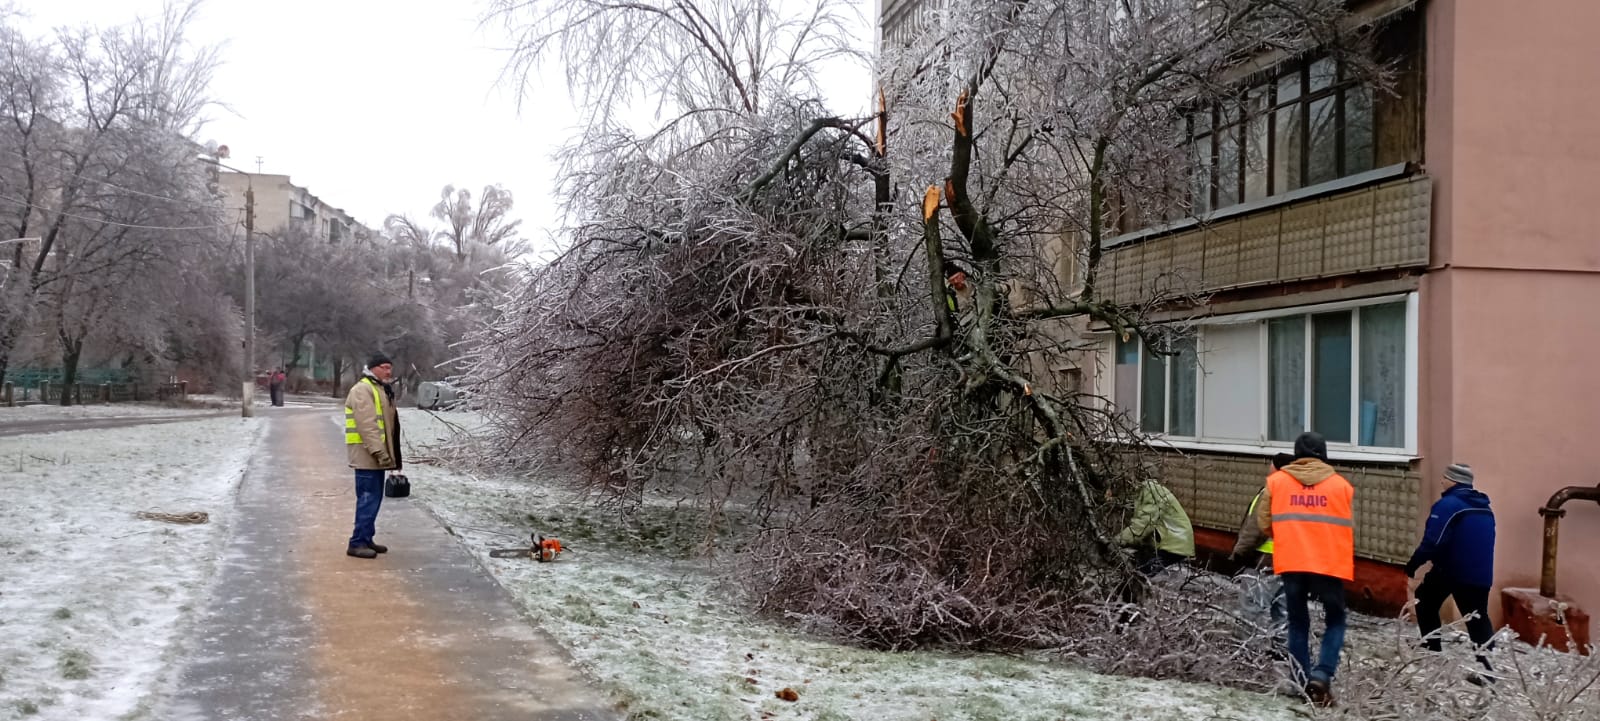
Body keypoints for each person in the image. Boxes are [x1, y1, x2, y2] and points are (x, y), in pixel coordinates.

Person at [1258, 432, 1354, 706]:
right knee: (1335, 620)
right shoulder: (1341, 486)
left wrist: (1288, 536)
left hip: (1293, 560)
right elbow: (1346, 525)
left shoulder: (1276, 482)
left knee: (1298, 622)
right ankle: (1322, 675)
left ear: (1297, 454)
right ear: (1324, 454)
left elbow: (1264, 522)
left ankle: (1302, 682)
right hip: (1329, 563)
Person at [1405, 462, 1496, 674]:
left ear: (1453, 481)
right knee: (1478, 618)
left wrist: (1415, 562)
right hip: (1481, 574)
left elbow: (1433, 541)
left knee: (1425, 601)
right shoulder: (1484, 506)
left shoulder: (1448, 505)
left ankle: (1432, 651)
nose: (1441, 482)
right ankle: (1488, 669)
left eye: (1444, 478)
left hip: (1453, 570)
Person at [344, 353, 401, 559]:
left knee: (373, 499)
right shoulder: (363, 390)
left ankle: (366, 538)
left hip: (375, 454)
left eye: (390, 367)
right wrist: (379, 451)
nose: (389, 371)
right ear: (373, 368)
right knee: (368, 498)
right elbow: (367, 425)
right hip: (366, 454)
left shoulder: (379, 389)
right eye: (385, 367)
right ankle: (357, 542)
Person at [1233, 453, 1295, 628]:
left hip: (1265, 562)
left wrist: (1240, 553)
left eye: (1271, 464)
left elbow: (1256, 528)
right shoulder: (1302, 495)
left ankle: (1251, 652)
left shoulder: (1272, 492)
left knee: (1252, 612)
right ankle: (1285, 654)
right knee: (1284, 614)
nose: (1269, 467)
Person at [1116, 477, 1196, 576]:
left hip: (1174, 544)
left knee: (1142, 574)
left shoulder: (1152, 493)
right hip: (1172, 541)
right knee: (1141, 568)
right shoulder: (1147, 491)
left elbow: (1143, 525)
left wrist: (1117, 541)